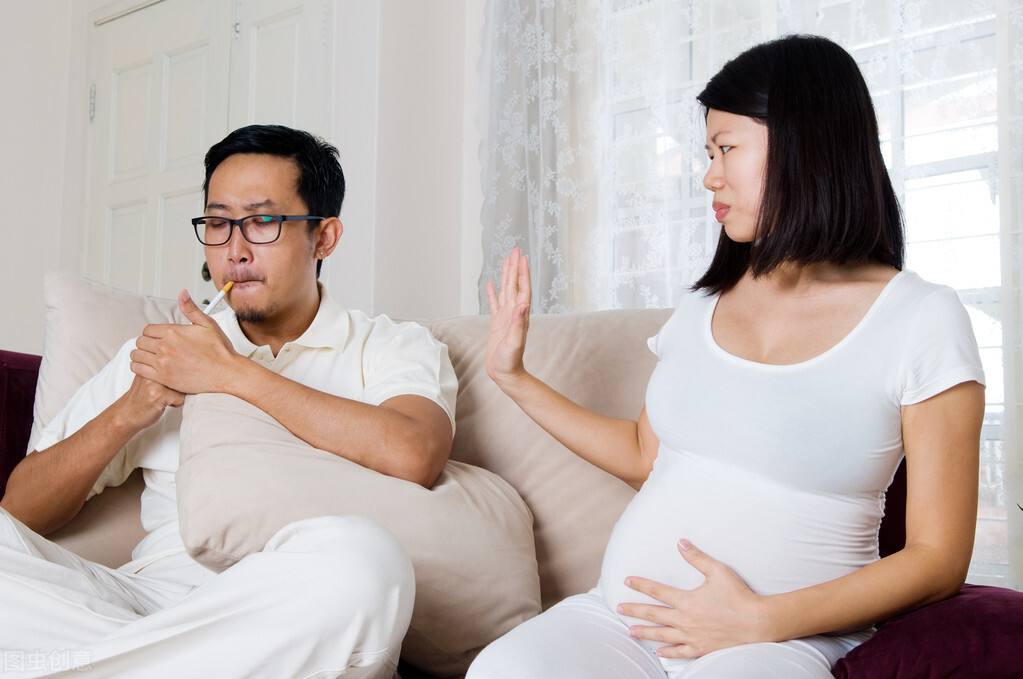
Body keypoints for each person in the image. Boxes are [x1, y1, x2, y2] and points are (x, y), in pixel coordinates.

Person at [468, 34, 985, 679]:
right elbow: (644, 457)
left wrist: (761, 620)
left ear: (804, 146)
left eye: (726, 149)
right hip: (622, 621)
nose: (709, 175)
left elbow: (938, 558)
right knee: (502, 670)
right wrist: (513, 378)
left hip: (778, 643)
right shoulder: (703, 304)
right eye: (708, 153)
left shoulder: (920, 318)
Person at [0, 124, 457, 678]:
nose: (235, 251)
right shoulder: (161, 352)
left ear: (324, 237)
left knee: (367, 563)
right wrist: (128, 412)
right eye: (218, 224)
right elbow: (20, 510)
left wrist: (232, 374)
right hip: (143, 608)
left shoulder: (390, 345)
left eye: (262, 222)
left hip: (288, 606)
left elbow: (414, 452)